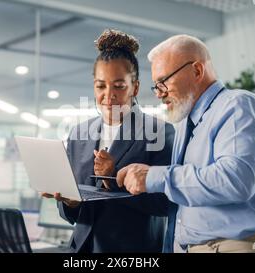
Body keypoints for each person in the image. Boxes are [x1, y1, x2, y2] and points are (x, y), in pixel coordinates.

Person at [116, 34, 255, 253]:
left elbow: (235, 180)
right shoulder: (185, 125)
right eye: (156, 86)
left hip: (239, 247)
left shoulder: (237, 106)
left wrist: (154, 176)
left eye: (163, 81)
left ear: (197, 71)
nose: (159, 93)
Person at [42, 29, 175, 253]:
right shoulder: (78, 134)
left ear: (135, 87)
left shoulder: (160, 132)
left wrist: (113, 179)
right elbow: (72, 213)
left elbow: (166, 204)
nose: (109, 95)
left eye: (119, 86)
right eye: (101, 86)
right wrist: (69, 202)